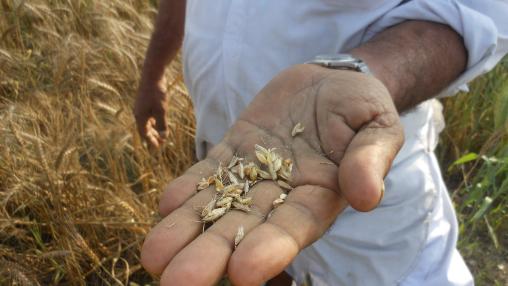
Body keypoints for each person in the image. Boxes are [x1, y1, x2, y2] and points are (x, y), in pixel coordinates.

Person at [134, 1, 508, 285]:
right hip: (233, 149)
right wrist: (152, 70)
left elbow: (478, 11)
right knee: (259, 263)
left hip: (362, 179)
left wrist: (365, 73)